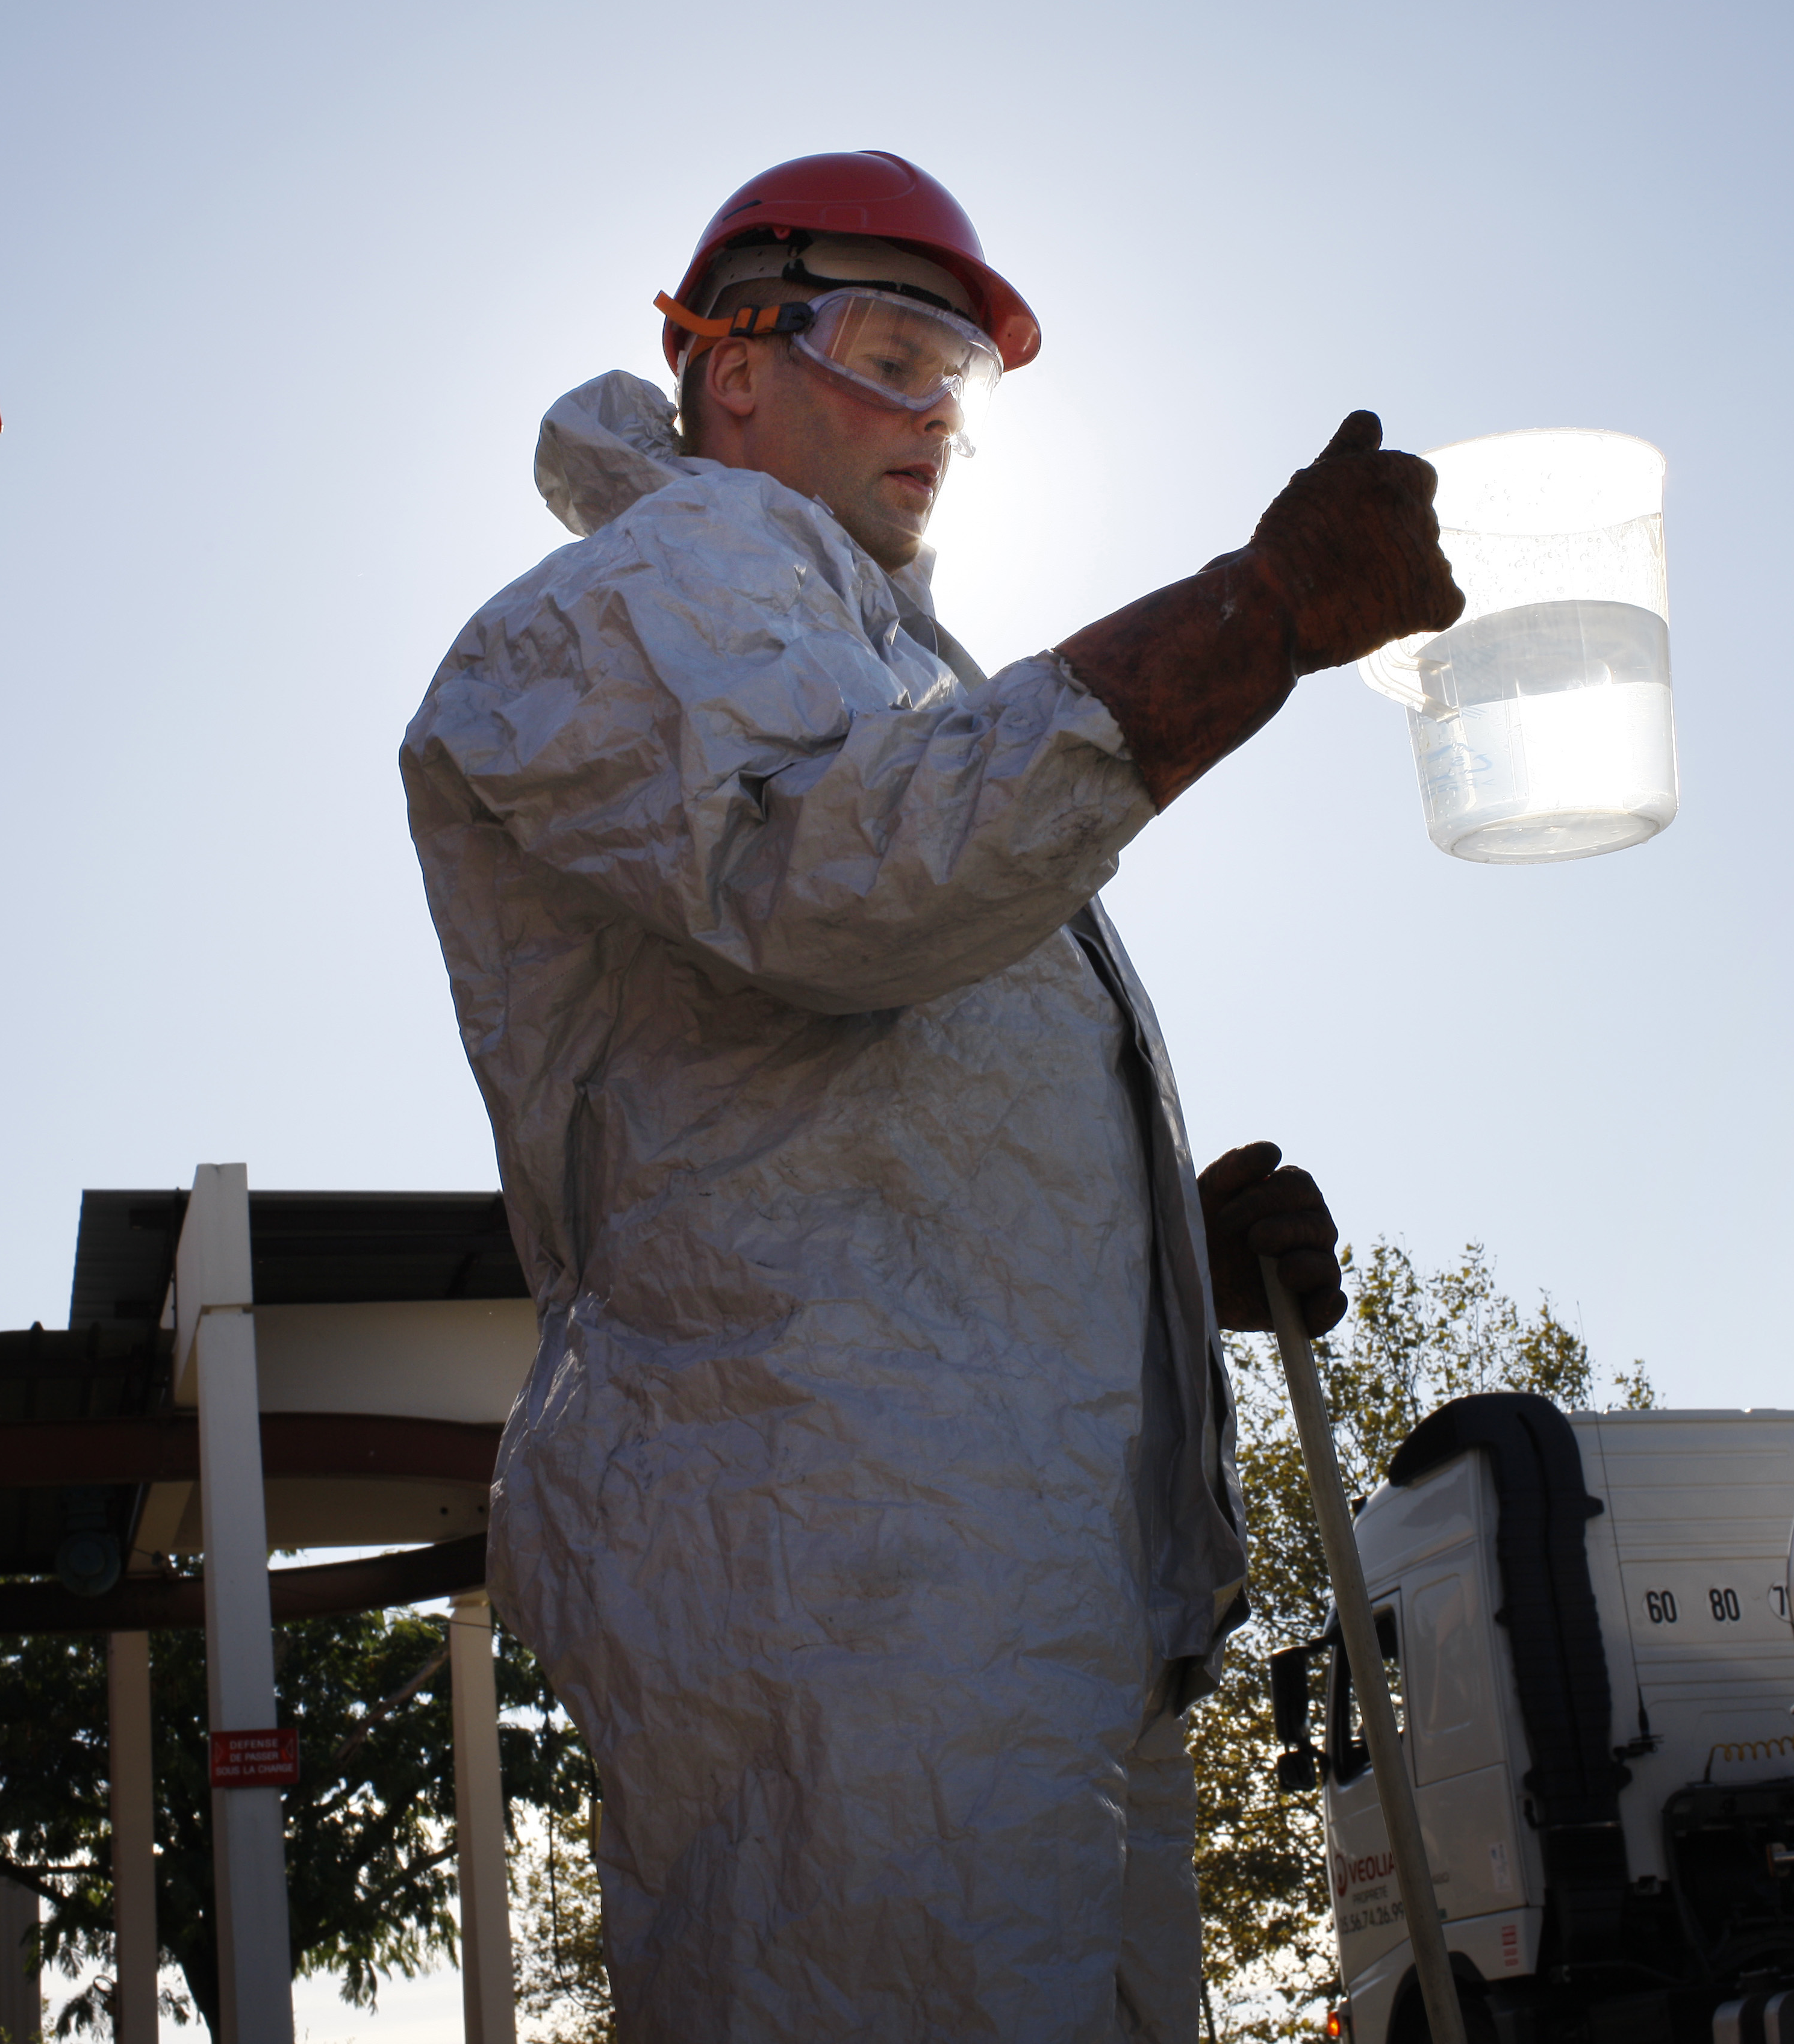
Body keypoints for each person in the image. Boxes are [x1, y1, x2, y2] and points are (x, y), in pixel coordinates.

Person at [397, 151, 1459, 2040]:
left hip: (997, 1577)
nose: (936, 420)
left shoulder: (851, 639)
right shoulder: (650, 586)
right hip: (838, 1563)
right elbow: (834, 874)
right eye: (892, 352)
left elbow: (871, 1084)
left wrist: (1146, 1250)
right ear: (731, 365)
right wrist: (1258, 617)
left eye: (955, 381)